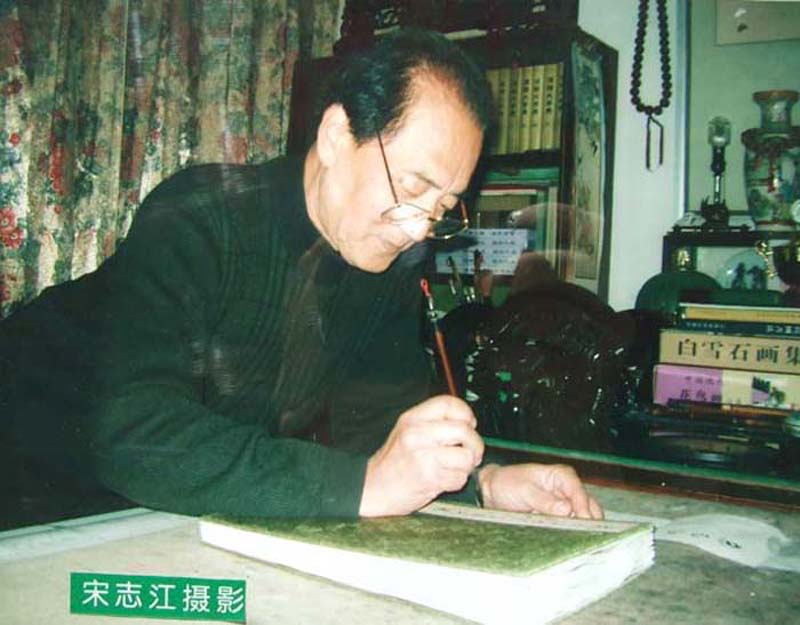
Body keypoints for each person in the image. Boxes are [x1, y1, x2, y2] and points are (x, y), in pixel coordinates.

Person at [0, 28, 602, 521]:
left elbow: (378, 435)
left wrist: (482, 483)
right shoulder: (200, 215)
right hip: (27, 465)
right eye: (413, 186)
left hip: (137, 512)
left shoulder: (384, 262)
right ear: (337, 135)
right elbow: (135, 432)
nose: (420, 227)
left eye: (443, 207)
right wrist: (363, 486)